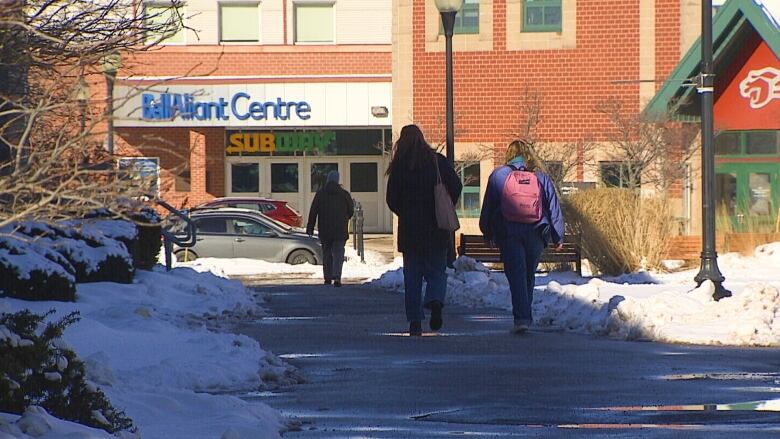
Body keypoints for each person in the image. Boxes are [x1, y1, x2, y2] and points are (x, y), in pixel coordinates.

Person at [479, 139, 564, 334]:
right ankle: (524, 314)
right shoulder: (541, 177)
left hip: (509, 231)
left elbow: (489, 206)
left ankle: (522, 317)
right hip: (536, 231)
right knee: (528, 274)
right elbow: (553, 207)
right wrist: (558, 235)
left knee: (516, 274)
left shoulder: (499, 176)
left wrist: (486, 231)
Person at [386, 124, 462, 336]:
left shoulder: (400, 166)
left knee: (412, 277)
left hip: (410, 231)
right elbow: (456, 185)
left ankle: (415, 321)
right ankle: (435, 300)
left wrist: (405, 211)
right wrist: (446, 202)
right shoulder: (437, 162)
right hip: (436, 228)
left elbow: (391, 199)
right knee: (437, 272)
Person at [307, 170, 354, 287]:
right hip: (340, 229)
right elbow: (351, 211)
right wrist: (344, 218)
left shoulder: (320, 194)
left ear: (327, 179)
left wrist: (310, 228)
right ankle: (337, 277)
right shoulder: (344, 194)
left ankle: (327, 277)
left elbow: (313, 212)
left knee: (326, 252)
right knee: (338, 253)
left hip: (325, 229)